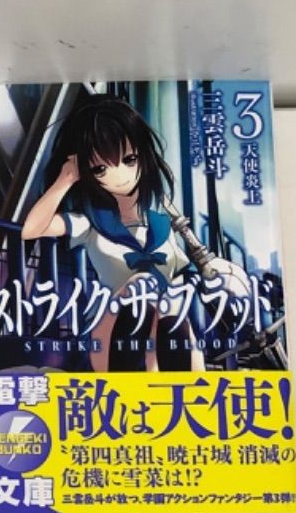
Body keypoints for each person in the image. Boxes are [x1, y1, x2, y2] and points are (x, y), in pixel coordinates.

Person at [21, 94, 206, 372]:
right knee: (143, 284)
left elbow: (179, 283)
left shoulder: (162, 226)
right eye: (101, 168)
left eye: (129, 159)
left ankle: (179, 386)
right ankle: (127, 383)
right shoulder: (90, 223)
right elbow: (31, 230)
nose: (120, 175)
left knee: (170, 303)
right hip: (112, 338)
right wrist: (65, 179)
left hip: (162, 340)